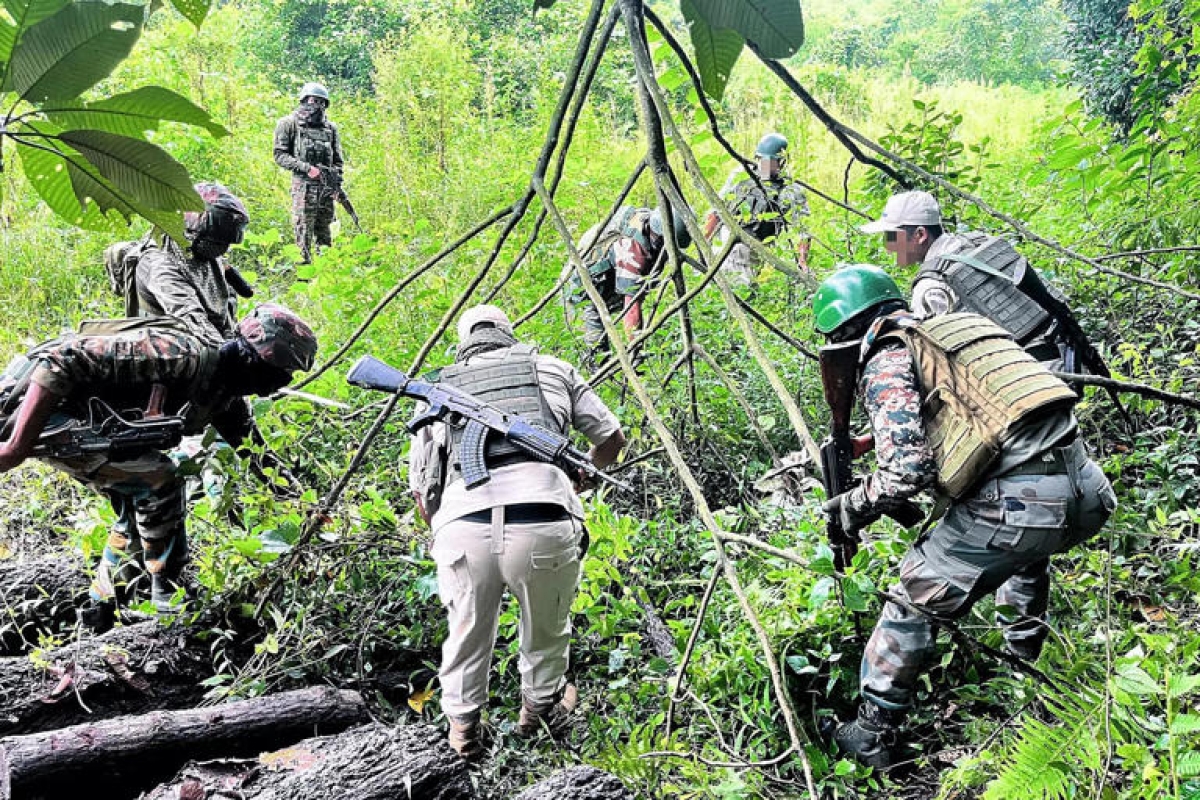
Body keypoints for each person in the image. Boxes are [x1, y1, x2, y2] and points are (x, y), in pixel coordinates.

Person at [810, 265, 1116, 769]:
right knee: (1025, 557)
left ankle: (870, 735)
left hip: (1021, 508)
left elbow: (906, 473)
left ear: (843, 332)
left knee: (913, 599)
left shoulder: (888, 359)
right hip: (1085, 493)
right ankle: (1025, 678)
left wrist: (852, 506)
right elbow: (985, 411)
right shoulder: (961, 328)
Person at [0, 305, 317, 626]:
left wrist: (306, 506)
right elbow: (62, 358)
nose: (279, 385)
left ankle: (100, 606)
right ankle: (168, 593)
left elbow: (259, 457)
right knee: (158, 480)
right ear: (253, 360)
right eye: (280, 374)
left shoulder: (224, 394)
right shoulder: (181, 356)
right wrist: (15, 446)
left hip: (82, 420)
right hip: (33, 403)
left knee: (136, 507)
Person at [408, 304, 626, 759]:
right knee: (547, 628)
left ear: (463, 340)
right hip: (542, 516)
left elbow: (422, 487)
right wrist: (582, 476)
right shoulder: (553, 368)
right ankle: (539, 712)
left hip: (462, 523)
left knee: (465, 631)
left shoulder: (437, 385)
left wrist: (440, 529)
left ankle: (463, 732)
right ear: (509, 334)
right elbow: (612, 439)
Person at [859, 190, 1073, 367]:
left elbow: (941, 361)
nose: (888, 248)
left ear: (920, 235)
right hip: (1067, 352)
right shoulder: (980, 243)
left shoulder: (931, 284)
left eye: (891, 237)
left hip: (1030, 379)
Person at [104, 182, 250, 347]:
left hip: (208, 337)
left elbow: (228, 303)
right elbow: (193, 320)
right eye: (218, 242)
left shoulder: (197, 251)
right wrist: (234, 353)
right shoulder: (161, 265)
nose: (223, 249)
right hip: (169, 347)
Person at [565, 205, 690, 360]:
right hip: (582, 293)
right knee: (596, 355)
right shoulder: (633, 250)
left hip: (604, 288)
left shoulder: (648, 222)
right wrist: (636, 350)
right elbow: (632, 309)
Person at [703, 132, 811, 286]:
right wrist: (704, 244)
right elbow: (716, 211)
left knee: (742, 293)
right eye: (762, 161)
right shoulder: (741, 175)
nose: (766, 166)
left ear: (782, 162)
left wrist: (802, 261)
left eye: (771, 162)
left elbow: (802, 231)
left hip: (750, 253)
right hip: (723, 245)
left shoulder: (791, 190)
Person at [273, 81, 345, 264]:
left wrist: (336, 183)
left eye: (322, 102)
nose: (317, 106)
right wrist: (306, 169)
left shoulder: (330, 129)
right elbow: (280, 155)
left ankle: (326, 276)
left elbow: (338, 160)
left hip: (326, 189)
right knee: (303, 232)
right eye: (313, 100)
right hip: (303, 188)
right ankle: (303, 280)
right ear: (304, 100)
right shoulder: (288, 124)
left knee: (326, 233)